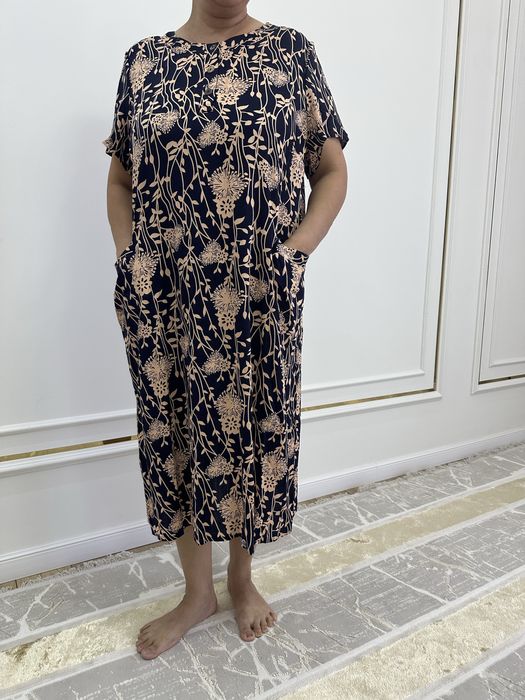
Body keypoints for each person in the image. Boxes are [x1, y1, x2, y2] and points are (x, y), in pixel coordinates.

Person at [103, 0, 348, 660]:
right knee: (179, 428)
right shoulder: (144, 62)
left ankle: (241, 579)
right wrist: (130, 258)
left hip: (260, 296)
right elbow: (121, 178)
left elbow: (330, 170)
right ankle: (196, 593)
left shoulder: (291, 52)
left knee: (250, 430)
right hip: (166, 293)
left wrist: (295, 254)